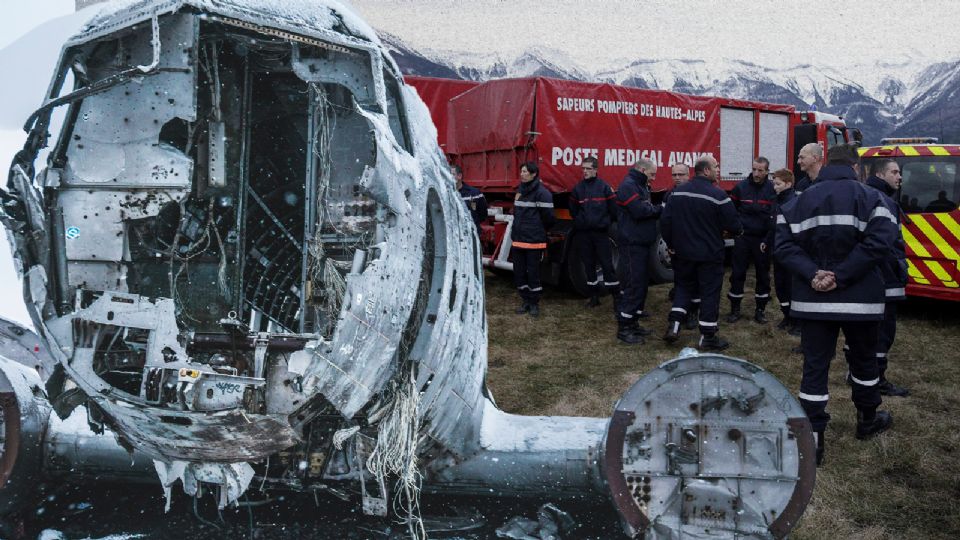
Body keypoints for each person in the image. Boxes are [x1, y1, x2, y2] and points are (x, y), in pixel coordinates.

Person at [775, 143, 897, 466]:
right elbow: (881, 243)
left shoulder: (798, 200)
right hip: (861, 303)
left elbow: (783, 246)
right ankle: (867, 419)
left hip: (814, 302)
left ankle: (813, 440)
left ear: (826, 163)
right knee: (864, 362)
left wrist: (815, 274)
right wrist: (840, 276)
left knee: (814, 368)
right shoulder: (874, 199)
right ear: (856, 168)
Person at [661, 156, 742, 350]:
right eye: (715, 166)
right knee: (709, 293)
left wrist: (672, 244)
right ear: (706, 171)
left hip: (682, 253)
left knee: (683, 287)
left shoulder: (677, 193)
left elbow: (665, 222)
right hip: (709, 254)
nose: (717, 169)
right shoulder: (718, 195)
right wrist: (731, 231)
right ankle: (707, 337)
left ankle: (675, 324)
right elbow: (734, 225)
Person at [855, 158, 910, 396]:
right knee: (883, 332)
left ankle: (862, 373)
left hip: (878, 276)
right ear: (880, 174)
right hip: (885, 277)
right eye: (895, 172)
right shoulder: (883, 201)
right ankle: (877, 378)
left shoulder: (871, 196)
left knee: (871, 331)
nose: (899, 177)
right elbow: (884, 245)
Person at [614, 158, 661, 344]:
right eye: (652, 174)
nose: (654, 178)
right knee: (633, 284)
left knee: (640, 283)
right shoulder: (629, 185)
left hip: (640, 242)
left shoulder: (640, 185)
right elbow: (639, 211)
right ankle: (624, 328)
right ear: (642, 169)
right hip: (632, 243)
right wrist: (659, 209)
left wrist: (651, 208)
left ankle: (633, 323)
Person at [726, 157, 776, 324]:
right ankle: (734, 309)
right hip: (743, 237)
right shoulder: (741, 187)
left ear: (767, 171)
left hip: (762, 239)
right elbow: (730, 211)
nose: (756, 173)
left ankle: (760, 310)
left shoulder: (772, 189)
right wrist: (736, 230)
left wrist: (768, 237)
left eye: (760, 170)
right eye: (754, 169)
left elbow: (774, 214)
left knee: (763, 274)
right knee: (738, 272)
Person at [569, 157, 619, 307]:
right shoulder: (578, 189)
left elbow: (614, 210)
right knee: (589, 265)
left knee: (607, 265)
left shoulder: (604, 187)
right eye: (583, 168)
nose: (585, 171)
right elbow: (573, 211)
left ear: (596, 170)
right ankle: (594, 297)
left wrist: (604, 223)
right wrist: (580, 222)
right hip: (584, 234)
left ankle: (616, 297)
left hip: (600, 234)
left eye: (588, 168)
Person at [512, 161, 555, 318]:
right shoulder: (519, 191)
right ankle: (525, 301)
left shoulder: (542, 193)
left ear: (533, 174)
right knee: (519, 273)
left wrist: (536, 229)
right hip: (518, 240)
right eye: (521, 171)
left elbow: (549, 218)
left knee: (533, 274)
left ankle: (534, 303)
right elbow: (516, 214)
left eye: (525, 172)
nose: (522, 174)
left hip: (534, 241)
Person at [667, 163, 701, 329]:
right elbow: (666, 222)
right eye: (674, 175)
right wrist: (670, 243)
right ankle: (682, 310)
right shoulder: (669, 195)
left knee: (695, 281)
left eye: (681, 174)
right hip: (677, 247)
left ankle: (693, 312)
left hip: (695, 246)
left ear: (689, 175)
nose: (677, 178)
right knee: (680, 280)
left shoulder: (697, 193)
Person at [768, 168, 800, 335]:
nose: (775, 187)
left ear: (788, 184)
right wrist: (766, 241)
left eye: (778, 184)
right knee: (780, 286)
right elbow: (772, 225)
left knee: (791, 286)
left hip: (789, 252)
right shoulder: (777, 200)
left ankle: (797, 321)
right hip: (778, 251)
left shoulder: (794, 202)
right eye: (774, 184)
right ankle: (787, 316)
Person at [452, 164, 488, 229]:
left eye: (452, 174)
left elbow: (483, 214)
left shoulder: (474, 194)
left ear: (459, 176)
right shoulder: (446, 194)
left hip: (471, 234)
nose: (449, 177)